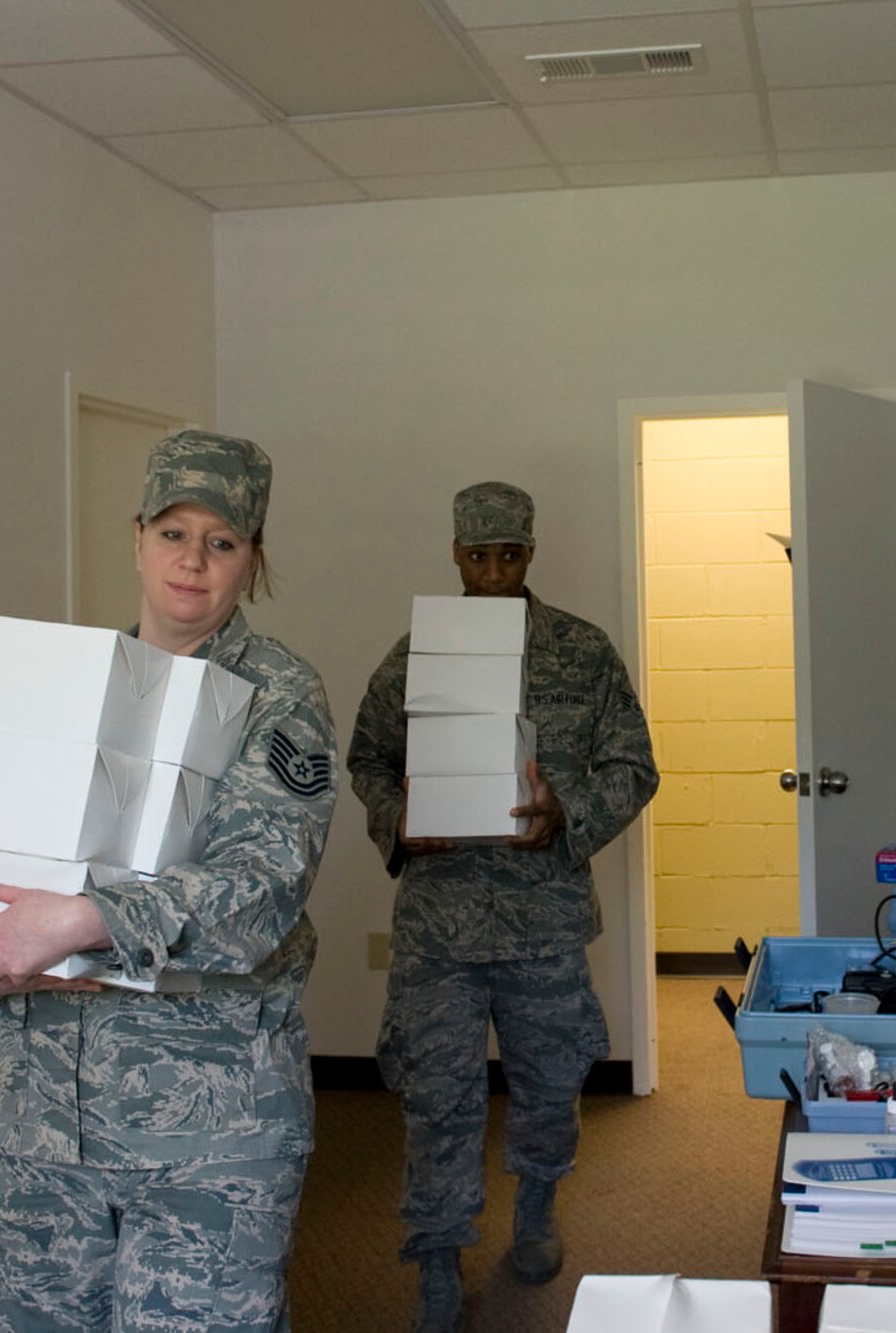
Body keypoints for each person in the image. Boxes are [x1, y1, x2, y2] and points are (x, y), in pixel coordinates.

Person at [0, 431, 339, 1331]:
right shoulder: (66, 685)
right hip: (40, 1121)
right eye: (172, 532)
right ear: (137, 538)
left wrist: (84, 919)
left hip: (204, 1134)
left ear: (252, 559)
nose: (192, 560)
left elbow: (261, 883)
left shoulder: (277, 694)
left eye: (222, 541)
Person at [348, 481, 657, 1333]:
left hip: (544, 920)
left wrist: (571, 810)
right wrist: (397, 820)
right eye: (477, 555)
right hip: (439, 929)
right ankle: (439, 1260)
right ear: (455, 553)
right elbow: (367, 758)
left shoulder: (581, 651)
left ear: (530, 553)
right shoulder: (416, 655)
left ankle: (536, 1208)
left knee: (552, 1083)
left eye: (509, 554)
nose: (492, 572)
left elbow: (635, 764)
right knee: (436, 1097)